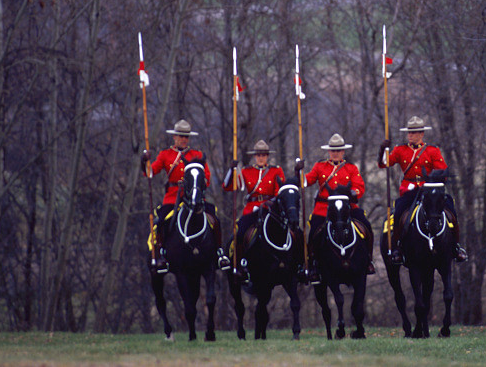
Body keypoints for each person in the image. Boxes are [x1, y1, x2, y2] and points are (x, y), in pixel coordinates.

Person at [141, 119, 229, 273]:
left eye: (186, 137)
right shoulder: (165, 155)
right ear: (174, 137)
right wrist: (145, 160)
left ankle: (219, 253)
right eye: (181, 136)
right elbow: (150, 172)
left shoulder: (197, 155)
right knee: (160, 222)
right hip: (172, 197)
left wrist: (198, 184)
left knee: (214, 220)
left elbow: (207, 179)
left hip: (194, 197)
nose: (183, 139)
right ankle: (161, 254)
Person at [378, 116, 468, 264]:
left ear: (421, 134)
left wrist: (436, 178)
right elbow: (384, 163)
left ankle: (456, 247)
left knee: (450, 208)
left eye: (413, 133)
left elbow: (443, 171)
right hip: (409, 190)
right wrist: (383, 149)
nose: (410, 135)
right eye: (409, 133)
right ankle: (397, 249)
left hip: (428, 190)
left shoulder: (432, 151)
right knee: (399, 211)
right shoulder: (400, 150)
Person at [296, 133, 375, 283]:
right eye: (333, 151)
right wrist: (299, 171)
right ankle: (313, 265)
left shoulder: (351, 168)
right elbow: (306, 182)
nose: (335, 153)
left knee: (366, 226)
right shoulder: (320, 167)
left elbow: (360, 186)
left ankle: (368, 260)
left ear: (343, 152)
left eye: (338, 150)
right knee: (313, 233)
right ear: (329, 152)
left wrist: (353, 193)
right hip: (324, 208)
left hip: (347, 207)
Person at [222, 139, 286, 283]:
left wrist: (270, 204)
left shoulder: (276, 170)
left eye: (264, 155)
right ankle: (239, 263)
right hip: (251, 210)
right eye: (258, 155)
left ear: (267, 156)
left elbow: (279, 193)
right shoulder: (246, 171)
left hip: (270, 209)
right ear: (254, 156)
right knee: (239, 233)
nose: (261, 157)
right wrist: (231, 170)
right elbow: (228, 186)